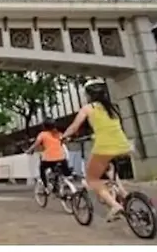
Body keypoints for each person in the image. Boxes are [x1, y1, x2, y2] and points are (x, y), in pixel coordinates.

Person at [61, 78, 131, 222]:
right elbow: (109, 127)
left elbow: (74, 127)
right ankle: (127, 197)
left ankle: (115, 206)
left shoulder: (88, 108)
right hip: (123, 145)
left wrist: (63, 137)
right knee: (110, 173)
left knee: (92, 179)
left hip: (105, 148)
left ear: (89, 95)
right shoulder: (114, 108)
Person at [26, 117, 71, 193]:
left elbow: (35, 144)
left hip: (48, 159)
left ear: (44, 126)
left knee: (42, 169)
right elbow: (66, 140)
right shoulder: (59, 134)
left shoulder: (42, 134)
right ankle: (63, 182)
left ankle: (46, 186)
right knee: (63, 172)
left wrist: (29, 151)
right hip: (62, 158)